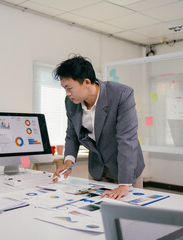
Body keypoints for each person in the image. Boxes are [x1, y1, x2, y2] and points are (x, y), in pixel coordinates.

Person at [52, 55, 145, 200]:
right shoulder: (71, 102)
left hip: (126, 170)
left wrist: (124, 183)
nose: (67, 94)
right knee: (94, 214)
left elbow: (127, 139)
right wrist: (68, 161)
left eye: (69, 88)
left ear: (87, 82)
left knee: (129, 217)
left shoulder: (121, 95)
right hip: (97, 171)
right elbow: (72, 134)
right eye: (64, 89)